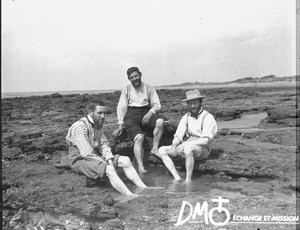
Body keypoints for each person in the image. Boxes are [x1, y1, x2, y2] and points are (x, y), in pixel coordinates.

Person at [65, 101, 148, 196]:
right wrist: (107, 164)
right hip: (79, 159)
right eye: (99, 113)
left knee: (126, 160)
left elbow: (104, 144)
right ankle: (130, 195)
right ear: (90, 112)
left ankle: (144, 187)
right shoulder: (80, 126)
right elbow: (86, 153)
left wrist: (109, 158)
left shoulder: (97, 125)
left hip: (93, 156)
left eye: (104, 113)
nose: (103, 116)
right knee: (110, 169)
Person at [154, 89, 217, 182]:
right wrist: (175, 144)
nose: (193, 106)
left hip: (203, 149)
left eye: (195, 103)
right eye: (190, 103)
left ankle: (188, 180)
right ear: (187, 104)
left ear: (200, 102)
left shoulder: (208, 117)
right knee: (162, 150)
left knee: (189, 148)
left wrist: (185, 144)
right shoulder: (186, 117)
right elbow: (178, 135)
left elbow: (205, 140)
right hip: (187, 145)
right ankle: (177, 177)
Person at [113, 67, 164, 173]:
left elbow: (156, 105)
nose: (134, 79)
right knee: (139, 137)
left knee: (160, 122)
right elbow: (121, 107)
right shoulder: (127, 89)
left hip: (146, 112)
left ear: (140, 75)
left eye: (136, 76)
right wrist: (120, 124)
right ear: (129, 79)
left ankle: (154, 149)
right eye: (131, 77)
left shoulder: (149, 88)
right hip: (131, 115)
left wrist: (150, 113)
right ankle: (141, 167)